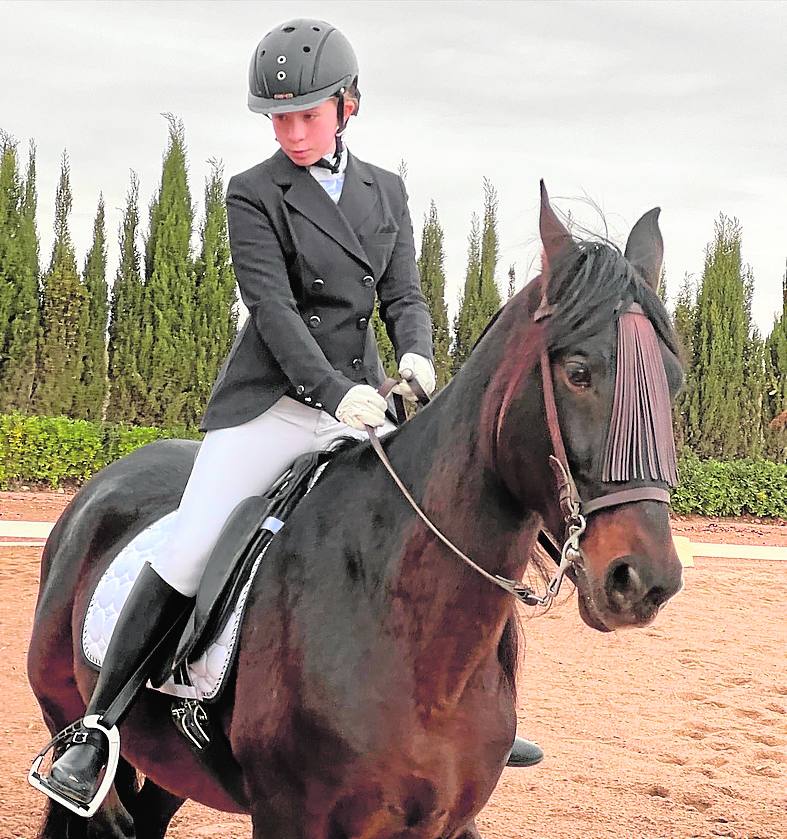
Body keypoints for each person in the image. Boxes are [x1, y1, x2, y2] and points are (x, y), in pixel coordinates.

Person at [35, 17, 540, 813]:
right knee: (195, 542)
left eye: (305, 114)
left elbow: (404, 291)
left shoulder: (387, 191)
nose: (291, 131)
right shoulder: (253, 192)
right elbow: (271, 309)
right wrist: (334, 392)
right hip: (271, 404)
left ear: (348, 107)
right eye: (278, 118)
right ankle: (98, 724)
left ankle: (467, 714)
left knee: (437, 529)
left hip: (365, 399)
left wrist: (415, 355)